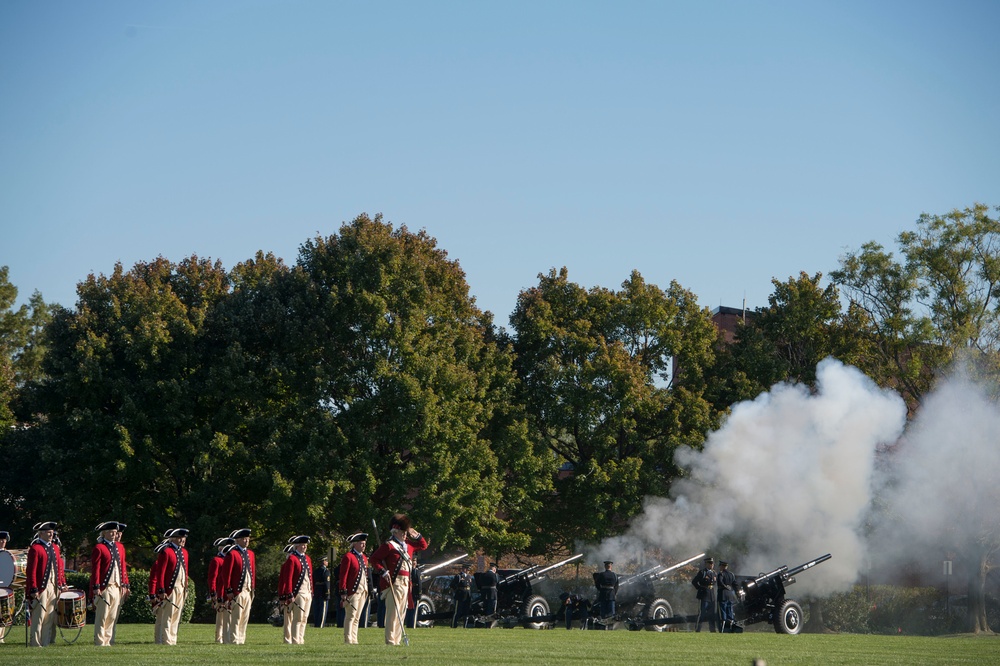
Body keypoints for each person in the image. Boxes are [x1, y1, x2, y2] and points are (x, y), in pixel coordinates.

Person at [370, 513, 428, 646]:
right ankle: (390, 640)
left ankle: (397, 639)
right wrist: (382, 571)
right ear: (396, 531)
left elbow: (423, 545)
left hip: (406, 583)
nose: (405, 534)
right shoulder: (389, 545)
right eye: (403, 532)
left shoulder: (408, 545)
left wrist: (417, 535)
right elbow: (374, 559)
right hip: (394, 581)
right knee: (392, 613)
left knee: (401, 612)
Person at [25, 521, 66, 647]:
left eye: (52, 532)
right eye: (48, 532)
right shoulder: (35, 548)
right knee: (39, 616)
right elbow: (31, 571)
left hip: (53, 586)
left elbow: (59, 568)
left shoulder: (55, 548)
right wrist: (33, 588)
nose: (51, 534)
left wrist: (61, 583)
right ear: (41, 533)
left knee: (49, 616)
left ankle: (45, 642)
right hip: (41, 588)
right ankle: (35, 643)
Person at [89, 521, 130, 646]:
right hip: (105, 586)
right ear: (104, 533)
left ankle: (107, 640)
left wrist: (125, 584)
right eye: (111, 532)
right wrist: (96, 586)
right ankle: (100, 641)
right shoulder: (99, 548)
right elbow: (96, 569)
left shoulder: (120, 547)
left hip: (117, 586)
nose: (114, 534)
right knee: (102, 616)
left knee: (112, 616)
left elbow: (122, 567)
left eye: (115, 532)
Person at [149, 528, 189, 645]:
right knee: (167, 616)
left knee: (176, 616)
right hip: (171, 589)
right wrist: (161, 590)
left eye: (184, 538)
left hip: (181, 588)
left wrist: (185, 587)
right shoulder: (166, 552)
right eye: (180, 538)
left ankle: (172, 640)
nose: (182, 540)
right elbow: (160, 573)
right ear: (173, 539)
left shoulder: (184, 552)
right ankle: (165, 640)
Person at [222, 527, 256, 645]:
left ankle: (241, 639)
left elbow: (252, 572)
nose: (246, 541)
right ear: (237, 540)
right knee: (236, 618)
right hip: (238, 591)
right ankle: (233, 639)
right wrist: (229, 590)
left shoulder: (250, 554)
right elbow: (226, 574)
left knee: (244, 617)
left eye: (247, 538)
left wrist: (252, 588)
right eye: (243, 539)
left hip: (247, 590)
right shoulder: (232, 554)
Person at [278, 535, 313, 644]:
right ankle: (294, 639)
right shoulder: (292, 559)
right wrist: (289, 594)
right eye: (302, 545)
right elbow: (287, 579)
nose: (304, 547)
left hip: (307, 592)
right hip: (298, 593)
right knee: (297, 618)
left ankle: (301, 639)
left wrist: (311, 591)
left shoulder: (307, 559)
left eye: (305, 545)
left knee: (304, 618)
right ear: (297, 546)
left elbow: (310, 576)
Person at [338, 532, 369, 644]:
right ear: (355, 544)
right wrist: (343, 591)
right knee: (351, 615)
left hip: (363, 590)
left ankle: (354, 639)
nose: (364, 545)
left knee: (357, 617)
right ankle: (348, 638)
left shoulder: (364, 558)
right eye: (361, 543)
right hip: (353, 591)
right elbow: (343, 575)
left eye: (364, 543)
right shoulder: (348, 557)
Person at [207, 537, 233, 643]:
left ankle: (227, 636)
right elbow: (212, 578)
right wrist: (214, 592)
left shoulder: (230, 559)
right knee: (221, 617)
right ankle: (219, 638)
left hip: (229, 591)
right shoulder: (217, 560)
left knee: (229, 616)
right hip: (220, 591)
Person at [692, 555, 718, 633]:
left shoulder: (714, 573)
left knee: (712, 614)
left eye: (712, 564)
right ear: (706, 564)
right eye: (710, 563)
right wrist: (700, 588)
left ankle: (712, 629)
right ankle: (698, 629)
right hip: (704, 595)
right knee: (702, 614)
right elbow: (694, 581)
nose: (711, 565)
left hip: (711, 595)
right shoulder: (702, 572)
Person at [450, 562, 474, 628]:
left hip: (467, 596)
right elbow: (452, 585)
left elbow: (470, 586)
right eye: (467, 569)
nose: (468, 571)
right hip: (460, 596)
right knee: (457, 611)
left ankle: (465, 626)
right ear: (464, 569)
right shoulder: (459, 576)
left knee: (466, 612)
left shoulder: (469, 576)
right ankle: (453, 625)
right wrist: (457, 590)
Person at [717, 560, 737, 633]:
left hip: (722, 594)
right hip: (730, 594)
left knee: (722, 611)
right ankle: (730, 627)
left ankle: (723, 628)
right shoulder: (731, 574)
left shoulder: (721, 574)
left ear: (722, 566)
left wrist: (725, 587)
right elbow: (735, 584)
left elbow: (720, 582)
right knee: (729, 610)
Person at [312, 555, 331, 628]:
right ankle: (320, 625)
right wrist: (327, 593)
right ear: (324, 562)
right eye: (326, 561)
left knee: (316, 609)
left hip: (316, 592)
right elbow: (327, 583)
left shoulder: (316, 571)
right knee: (322, 610)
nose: (327, 562)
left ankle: (316, 623)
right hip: (323, 592)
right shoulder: (326, 571)